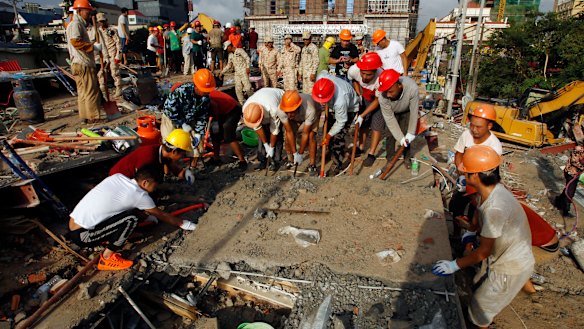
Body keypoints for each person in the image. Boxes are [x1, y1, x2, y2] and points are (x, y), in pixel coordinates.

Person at [432, 145, 534, 329]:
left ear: (476, 176)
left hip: (510, 268)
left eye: (467, 172)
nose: (463, 175)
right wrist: (471, 229)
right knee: (478, 287)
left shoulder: (495, 209)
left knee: (478, 312)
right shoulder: (491, 190)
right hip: (505, 256)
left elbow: (483, 253)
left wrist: (453, 265)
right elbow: (479, 210)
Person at [68, 164, 197, 271]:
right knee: (131, 219)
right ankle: (107, 258)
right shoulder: (139, 195)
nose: (155, 189)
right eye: (155, 186)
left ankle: (116, 237)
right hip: (84, 235)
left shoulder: (118, 178)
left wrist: (145, 218)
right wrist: (187, 224)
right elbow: (162, 215)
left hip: (73, 224)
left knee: (130, 215)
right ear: (145, 182)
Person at [449, 104, 503, 230]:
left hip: (482, 181)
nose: (474, 129)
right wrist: (461, 173)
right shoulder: (466, 135)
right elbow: (459, 154)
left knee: (477, 210)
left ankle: (472, 235)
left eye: (478, 127)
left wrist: (476, 191)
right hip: (467, 177)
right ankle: (456, 232)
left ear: (489, 126)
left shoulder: (494, 146)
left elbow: (489, 176)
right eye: (472, 125)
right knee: (456, 206)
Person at [357, 69, 418, 169]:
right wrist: (400, 138)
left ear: (398, 85)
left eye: (390, 91)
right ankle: (390, 159)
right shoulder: (383, 96)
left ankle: (407, 158)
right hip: (392, 112)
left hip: (407, 110)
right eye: (386, 92)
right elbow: (389, 119)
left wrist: (411, 132)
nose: (388, 95)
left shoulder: (412, 88)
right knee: (390, 135)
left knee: (406, 133)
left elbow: (414, 112)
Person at [162, 69, 216, 172]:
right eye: (204, 90)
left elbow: (202, 116)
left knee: (197, 146)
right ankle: (167, 171)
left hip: (190, 119)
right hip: (172, 118)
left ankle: (192, 169)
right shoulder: (182, 91)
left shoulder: (205, 98)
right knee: (169, 145)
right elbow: (169, 109)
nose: (206, 92)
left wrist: (198, 133)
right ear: (196, 86)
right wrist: (181, 123)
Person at [313, 71, 359, 176]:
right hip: (332, 105)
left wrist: (329, 136)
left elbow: (340, 122)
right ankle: (329, 151)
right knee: (328, 128)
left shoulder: (341, 100)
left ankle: (337, 163)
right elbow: (324, 71)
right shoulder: (321, 79)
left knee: (338, 137)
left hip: (350, 109)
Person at [109, 128, 193, 181]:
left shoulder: (163, 153)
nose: (183, 157)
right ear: (174, 151)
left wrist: (185, 174)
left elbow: (174, 169)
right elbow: (140, 183)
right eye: (182, 154)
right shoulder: (149, 157)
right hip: (118, 180)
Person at [66, 0, 101, 123]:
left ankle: (84, 116)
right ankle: (93, 117)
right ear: (80, 11)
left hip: (77, 63)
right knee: (91, 91)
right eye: (87, 12)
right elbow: (76, 42)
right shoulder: (76, 24)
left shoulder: (74, 24)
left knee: (82, 92)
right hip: (83, 63)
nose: (89, 15)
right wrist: (93, 47)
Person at [277, 90, 321, 175]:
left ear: (298, 107)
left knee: (311, 136)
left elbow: (305, 133)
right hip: (298, 115)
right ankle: (290, 160)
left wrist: (300, 153)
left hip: (313, 113)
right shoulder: (281, 110)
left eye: (291, 112)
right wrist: (295, 153)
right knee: (287, 135)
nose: (289, 115)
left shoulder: (310, 110)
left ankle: (312, 165)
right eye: (287, 112)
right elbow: (289, 132)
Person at [348, 52, 382, 158]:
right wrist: (359, 95)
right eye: (363, 73)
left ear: (375, 71)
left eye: (369, 75)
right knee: (363, 124)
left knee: (377, 123)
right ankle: (361, 147)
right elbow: (354, 81)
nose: (365, 77)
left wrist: (362, 115)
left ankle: (371, 153)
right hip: (365, 95)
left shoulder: (381, 77)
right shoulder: (353, 70)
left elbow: (377, 101)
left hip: (379, 100)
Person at [242, 88, 285, 171]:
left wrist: (271, 147)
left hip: (279, 100)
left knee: (277, 136)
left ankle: (276, 160)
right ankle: (263, 160)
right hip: (263, 99)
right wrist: (266, 145)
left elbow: (274, 131)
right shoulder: (246, 109)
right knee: (262, 137)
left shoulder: (273, 109)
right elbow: (257, 128)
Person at [208, 90, 248, 169]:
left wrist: (215, 122)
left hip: (233, 109)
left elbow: (214, 107)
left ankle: (242, 161)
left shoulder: (204, 97)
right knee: (214, 134)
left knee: (228, 135)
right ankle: (216, 159)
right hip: (222, 110)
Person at [96, 13, 122, 97]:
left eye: (103, 21)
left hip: (112, 53)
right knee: (101, 73)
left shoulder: (111, 30)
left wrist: (118, 54)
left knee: (114, 72)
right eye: (100, 22)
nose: (102, 23)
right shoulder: (98, 31)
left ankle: (118, 88)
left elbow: (118, 42)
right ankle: (103, 91)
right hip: (103, 55)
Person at [219, 40, 253, 106]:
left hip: (244, 72)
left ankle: (252, 102)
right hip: (237, 73)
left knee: (248, 88)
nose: (227, 50)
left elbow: (247, 58)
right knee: (238, 89)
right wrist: (222, 72)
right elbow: (229, 65)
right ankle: (242, 104)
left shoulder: (240, 51)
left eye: (227, 48)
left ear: (229, 46)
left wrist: (248, 67)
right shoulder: (230, 55)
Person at [555, 144, 584, 217]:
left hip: (577, 174)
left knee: (568, 189)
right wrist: (582, 167)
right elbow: (574, 161)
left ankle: (558, 202)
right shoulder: (578, 150)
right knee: (570, 192)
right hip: (571, 173)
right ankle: (565, 211)